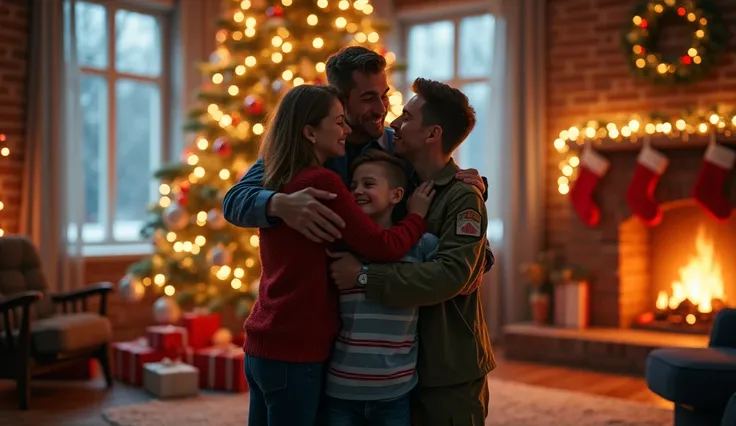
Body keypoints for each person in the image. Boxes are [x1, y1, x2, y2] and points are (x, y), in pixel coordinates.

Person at [242, 84, 436, 426]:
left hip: (261, 345)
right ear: (310, 132)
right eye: (338, 122)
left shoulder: (275, 177)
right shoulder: (323, 181)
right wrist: (417, 216)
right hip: (296, 349)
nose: (346, 130)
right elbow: (383, 245)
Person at [221, 46, 493, 273]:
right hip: (325, 310)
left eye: (384, 95)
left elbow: (445, 205)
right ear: (340, 100)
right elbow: (235, 200)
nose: (381, 109)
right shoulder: (304, 150)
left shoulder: (400, 147)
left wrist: (471, 189)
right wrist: (278, 203)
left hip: (390, 303)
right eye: (368, 98)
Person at [328, 78, 496, 426]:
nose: (394, 123)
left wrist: (363, 276)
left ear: (433, 134)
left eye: (406, 117)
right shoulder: (407, 190)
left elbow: (451, 274)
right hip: (404, 369)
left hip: (449, 369)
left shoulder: (463, 196)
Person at [323, 149, 440, 426]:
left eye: (369, 184)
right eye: (353, 186)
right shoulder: (341, 247)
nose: (357, 191)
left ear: (396, 195)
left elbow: (463, 268)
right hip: (341, 389)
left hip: (394, 392)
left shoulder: (421, 245)